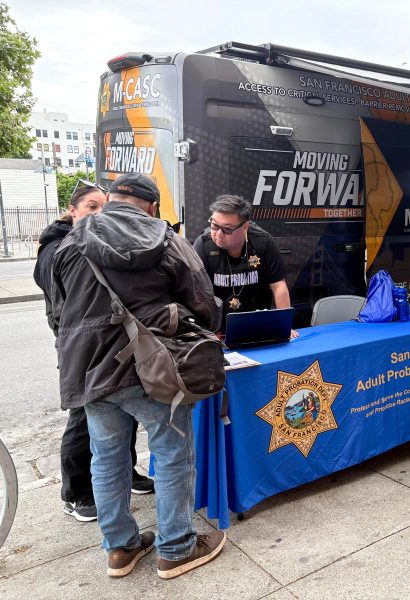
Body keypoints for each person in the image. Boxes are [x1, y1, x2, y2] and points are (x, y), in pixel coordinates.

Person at [51, 174, 225, 579]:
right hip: (152, 369)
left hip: (88, 370)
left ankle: (120, 549)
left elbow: (58, 311)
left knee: (107, 459)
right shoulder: (165, 238)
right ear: (151, 205)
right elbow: (203, 302)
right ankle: (177, 547)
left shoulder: (70, 243)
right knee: (172, 455)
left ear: (111, 200)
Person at [33, 182, 154, 524]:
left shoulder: (97, 241)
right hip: (82, 348)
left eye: (105, 207)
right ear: (72, 210)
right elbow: (61, 301)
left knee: (121, 414)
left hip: (113, 343)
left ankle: (126, 474)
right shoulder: (56, 248)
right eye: (91, 207)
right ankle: (76, 493)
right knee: (83, 419)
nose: (99, 214)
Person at [192, 194, 297, 335]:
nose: (218, 234)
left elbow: (278, 286)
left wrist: (285, 326)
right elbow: (195, 294)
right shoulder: (203, 245)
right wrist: (207, 332)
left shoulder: (263, 242)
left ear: (245, 227)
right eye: (214, 225)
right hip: (218, 329)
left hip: (257, 323)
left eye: (227, 229)